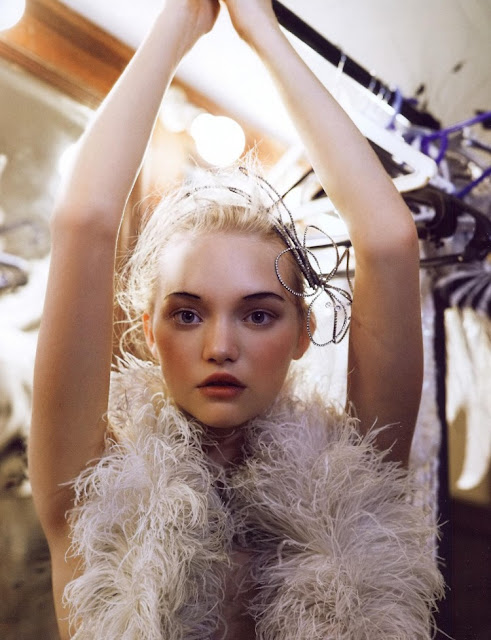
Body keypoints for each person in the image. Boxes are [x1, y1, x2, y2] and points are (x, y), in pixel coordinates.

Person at [28, 1, 444, 638]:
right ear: (149, 332)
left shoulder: (353, 480)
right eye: (187, 313)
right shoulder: (91, 490)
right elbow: (84, 220)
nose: (220, 346)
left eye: (258, 314)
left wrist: (262, 30)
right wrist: (179, 21)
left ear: (303, 334)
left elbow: (389, 240)